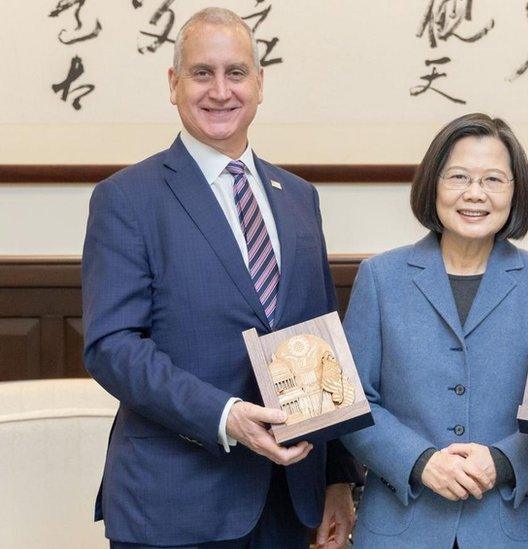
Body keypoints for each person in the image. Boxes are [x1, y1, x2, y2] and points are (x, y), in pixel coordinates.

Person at [82, 8, 360, 548]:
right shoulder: (127, 198)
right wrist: (226, 415)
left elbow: (321, 342)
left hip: (289, 501)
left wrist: (337, 478)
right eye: (201, 73)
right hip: (174, 504)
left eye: (236, 73)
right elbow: (112, 347)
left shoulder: (299, 198)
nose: (220, 91)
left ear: (259, 84)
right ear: (173, 84)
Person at [340, 113, 528, 548]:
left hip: (513, 528)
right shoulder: (380, 278)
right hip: (399, 526)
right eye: (459, 177)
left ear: (514, 191)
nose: (474, 194)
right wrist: (419, 461)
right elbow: (352, 403)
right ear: (433, 184)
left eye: (493, 180)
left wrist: (501, 461)